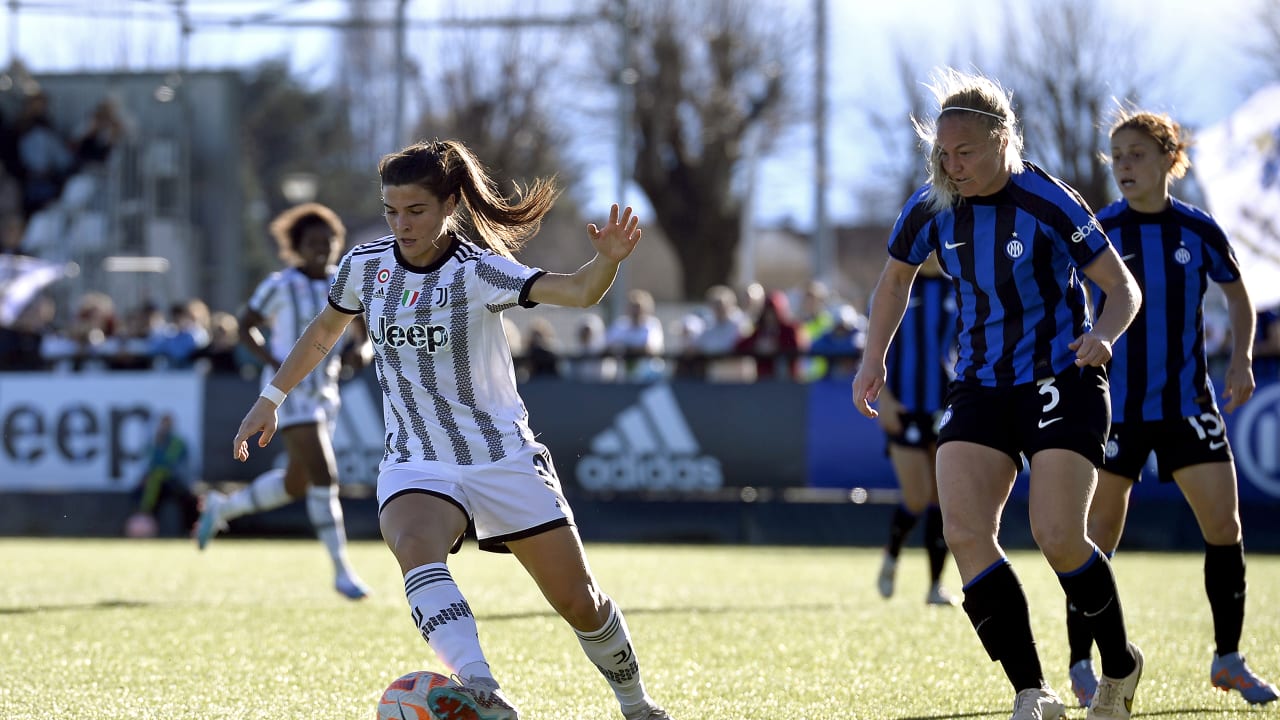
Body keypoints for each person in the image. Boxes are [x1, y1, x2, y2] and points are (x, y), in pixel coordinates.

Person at [230, 139, 674, 720]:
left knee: (579, 602)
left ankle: (636, 705)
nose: (402, 223)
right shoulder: (365, 267)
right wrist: (271, 397)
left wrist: (608, 261)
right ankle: (481, 690)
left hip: (502, 458)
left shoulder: (479, 270)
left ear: (448, 207)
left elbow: (576, 291)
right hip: (415, 459)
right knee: (414, 545)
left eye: (415, 210)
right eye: (392, 211)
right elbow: (321, 333)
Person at [851, 68, 1145, 720]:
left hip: (1062, 379)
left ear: (1002, 140)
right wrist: (874, 358)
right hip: (981, 384)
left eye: (966, 152)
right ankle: (1031, 690)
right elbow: (894, 283)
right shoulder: (930, 207)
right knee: (963, 531)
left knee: (1058, 536)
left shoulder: (1049, 201)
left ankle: (1120, 665)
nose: (953, 166)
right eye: (943, 154)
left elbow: (1123, 289)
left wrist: (1103, 334)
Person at [1063, 109, 1278, 708]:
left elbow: (1240, 296)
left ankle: (1228, 659)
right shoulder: (1099, 230)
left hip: (1187, 405)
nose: (1124, 166)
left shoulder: (1198, 229)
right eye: (1117, 156)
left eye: (1136, 154)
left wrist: (1241, 360)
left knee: (1225, 527)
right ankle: (1083, 665)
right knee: (1093, 537)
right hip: (1116, 410)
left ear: (1168, 159)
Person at [198, 202, 372, 602]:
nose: (322, 249)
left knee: (297, 483)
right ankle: (342, 571)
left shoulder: (345, 285)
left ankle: (222, 508)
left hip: (326, 394)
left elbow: (366, 338)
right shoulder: (280, 284)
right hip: (284, 397)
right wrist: (274, 362)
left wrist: (360, 354)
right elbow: (245, 325)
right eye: (313, 242)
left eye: (328, 241)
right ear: (297, 247)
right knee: (325, 475)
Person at [871, 252, 955, 606]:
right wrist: (884, 399)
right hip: (904, 405)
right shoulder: (897, 283)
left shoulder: (961, 286)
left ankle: (935, 586)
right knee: (917, 497)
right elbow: (873, 346)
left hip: (946, 405)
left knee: (944, 500)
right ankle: (892, 555)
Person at [130, 413, 199, 536]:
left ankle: (188, 531)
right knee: (139, 493)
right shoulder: (154, 442)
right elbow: (149, 463)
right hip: (157, 484)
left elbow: (168, 463)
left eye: (167, 424)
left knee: (188, 501)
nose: (164, 427)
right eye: (162, 424)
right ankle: (147, 528)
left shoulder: (177, 442)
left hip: (175, 482)